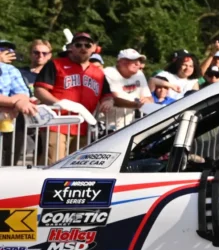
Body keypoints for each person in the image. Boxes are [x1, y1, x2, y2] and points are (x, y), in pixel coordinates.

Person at [33, 33, 140, 164]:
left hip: (83, 126)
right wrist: (58, 103)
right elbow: (39, 90)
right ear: (71, 47)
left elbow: (107, 95)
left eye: (87, 45)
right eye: (78, 44)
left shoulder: (98, 72)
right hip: (57, 122)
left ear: (94, 48)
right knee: (54, 163)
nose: (83, 47)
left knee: (75, 166)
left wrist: (108, 101)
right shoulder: (56, 64)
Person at [1, 40, 38, 166]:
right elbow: (16, 99)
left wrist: (20, 103)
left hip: (9, 122)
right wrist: (13, 102)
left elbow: (23, 93)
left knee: (9, 164)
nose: (7, 52)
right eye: (2, 49)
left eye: (9, 50)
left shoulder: (12, 70)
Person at [100, 49, 153, 131]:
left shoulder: (139, 74)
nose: (138, 63)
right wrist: (137, 104)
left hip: (128, 124)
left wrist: (146, 100)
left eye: (139, 61)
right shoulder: (108, 72)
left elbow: (149, 99)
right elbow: (116, 99)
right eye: (133, 60)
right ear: (121, 61)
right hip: (106, 125)